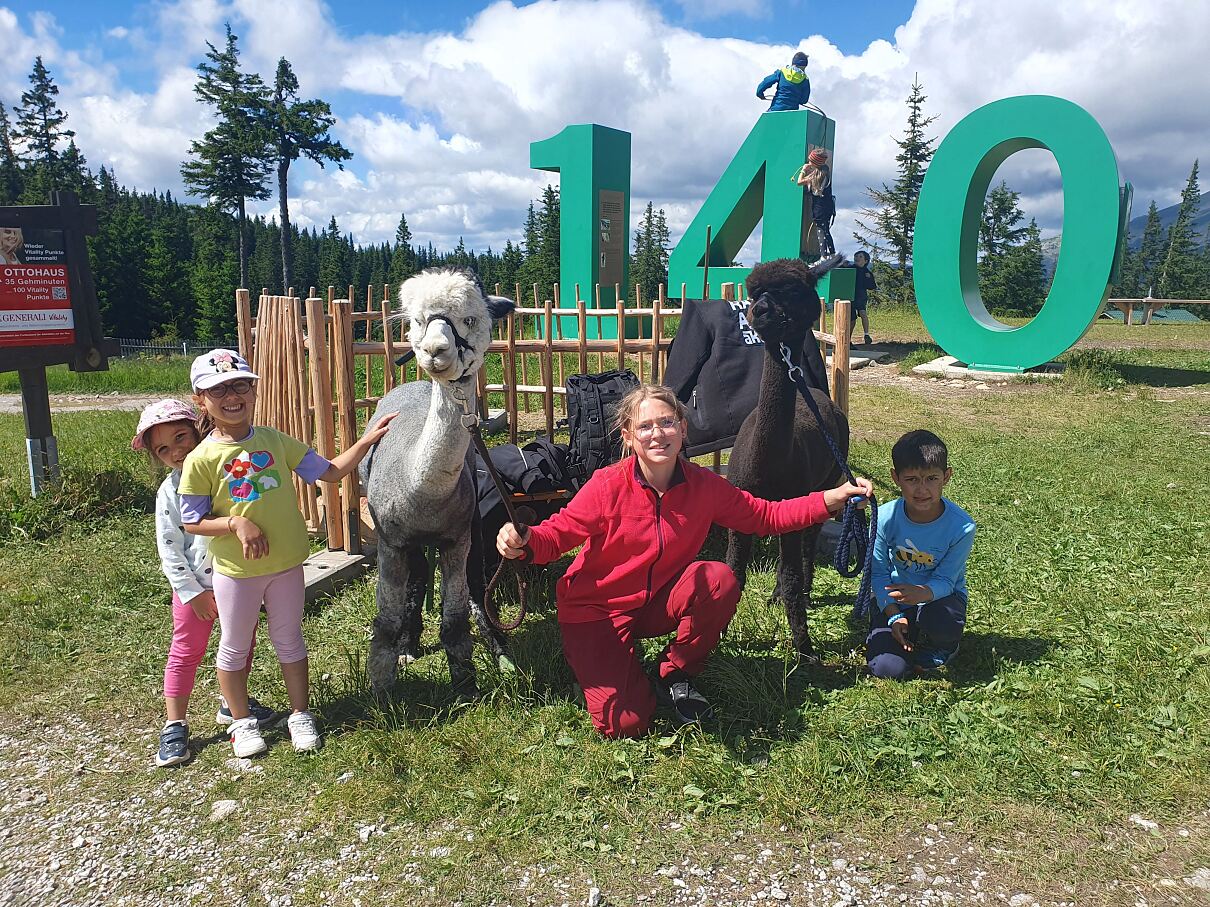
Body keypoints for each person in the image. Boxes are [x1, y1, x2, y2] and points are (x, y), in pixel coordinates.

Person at [496, 384, 872, 738]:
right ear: (628, 436)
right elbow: (558, 534)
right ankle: (602, 663)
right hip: (597, 609)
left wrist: (830, 498)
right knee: (626, 723)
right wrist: (524, 541)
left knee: (719, 578)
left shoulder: (703, 486)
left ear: (682, 428)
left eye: (666, 422)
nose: (657, 434)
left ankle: (675, 672)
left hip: (657, 600)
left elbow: (764, 516)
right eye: (645, 426)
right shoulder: (607, 484)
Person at [179, 349, 397, 757]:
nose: (232, 395)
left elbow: (329, 471)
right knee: (234, 645)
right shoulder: (200, 459)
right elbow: (191, 521)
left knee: (290, 640)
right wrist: (235, 523)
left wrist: (367, 440)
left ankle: (300, 714)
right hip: (237, 572)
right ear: (200, 399)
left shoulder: (273, 440)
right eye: (218, 388)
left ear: (254, 389)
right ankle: (241, 723)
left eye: (240, 384)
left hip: (286, 565)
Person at [133, 399, 276, 767]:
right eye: (163, 448)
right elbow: (170, 549)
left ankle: (233, 705)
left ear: (199, 428)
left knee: (240, 648)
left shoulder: (227, 472)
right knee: (185, 654)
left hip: (237, 582)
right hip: (195, 590)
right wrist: (191, 592)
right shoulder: (171, 491)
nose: (176, 451)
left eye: (180, 437)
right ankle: (175, 723)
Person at [867, 430, 976, 680]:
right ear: (895, 478)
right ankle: (896, 626)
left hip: (939, 599)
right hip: (895, 597)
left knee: (941, 618)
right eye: (912, 479)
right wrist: (893, 613)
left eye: (931, 478)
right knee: (887, 669)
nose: (922, 489)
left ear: (946, 477)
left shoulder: (962, 527)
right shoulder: (883, 519)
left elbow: (948, 580)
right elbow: (879, 572)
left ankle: (944, 643)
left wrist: (924, 593)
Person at [796, 148, 835, 259]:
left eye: (810, 161)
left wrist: (803, 170)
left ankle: (823, 257)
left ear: (815, 163)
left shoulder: (815, 176)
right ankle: (832, 254)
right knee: (826, 231)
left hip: (819, 208)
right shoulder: (825, 172)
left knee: (821, 231)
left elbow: (799, 182)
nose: (808, 163)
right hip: (828, 207)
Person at [851, 250, 877, 346]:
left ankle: (866, 335)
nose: (857, 258)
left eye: (860, 256)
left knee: (863, 313)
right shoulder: (850, 269)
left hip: (861, 296)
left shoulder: (867, 272)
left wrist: (868, 278)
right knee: (851, 319)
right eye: (856, 256)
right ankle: (848, 339)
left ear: (866, 261)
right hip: (850, 296)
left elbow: (872, 286)